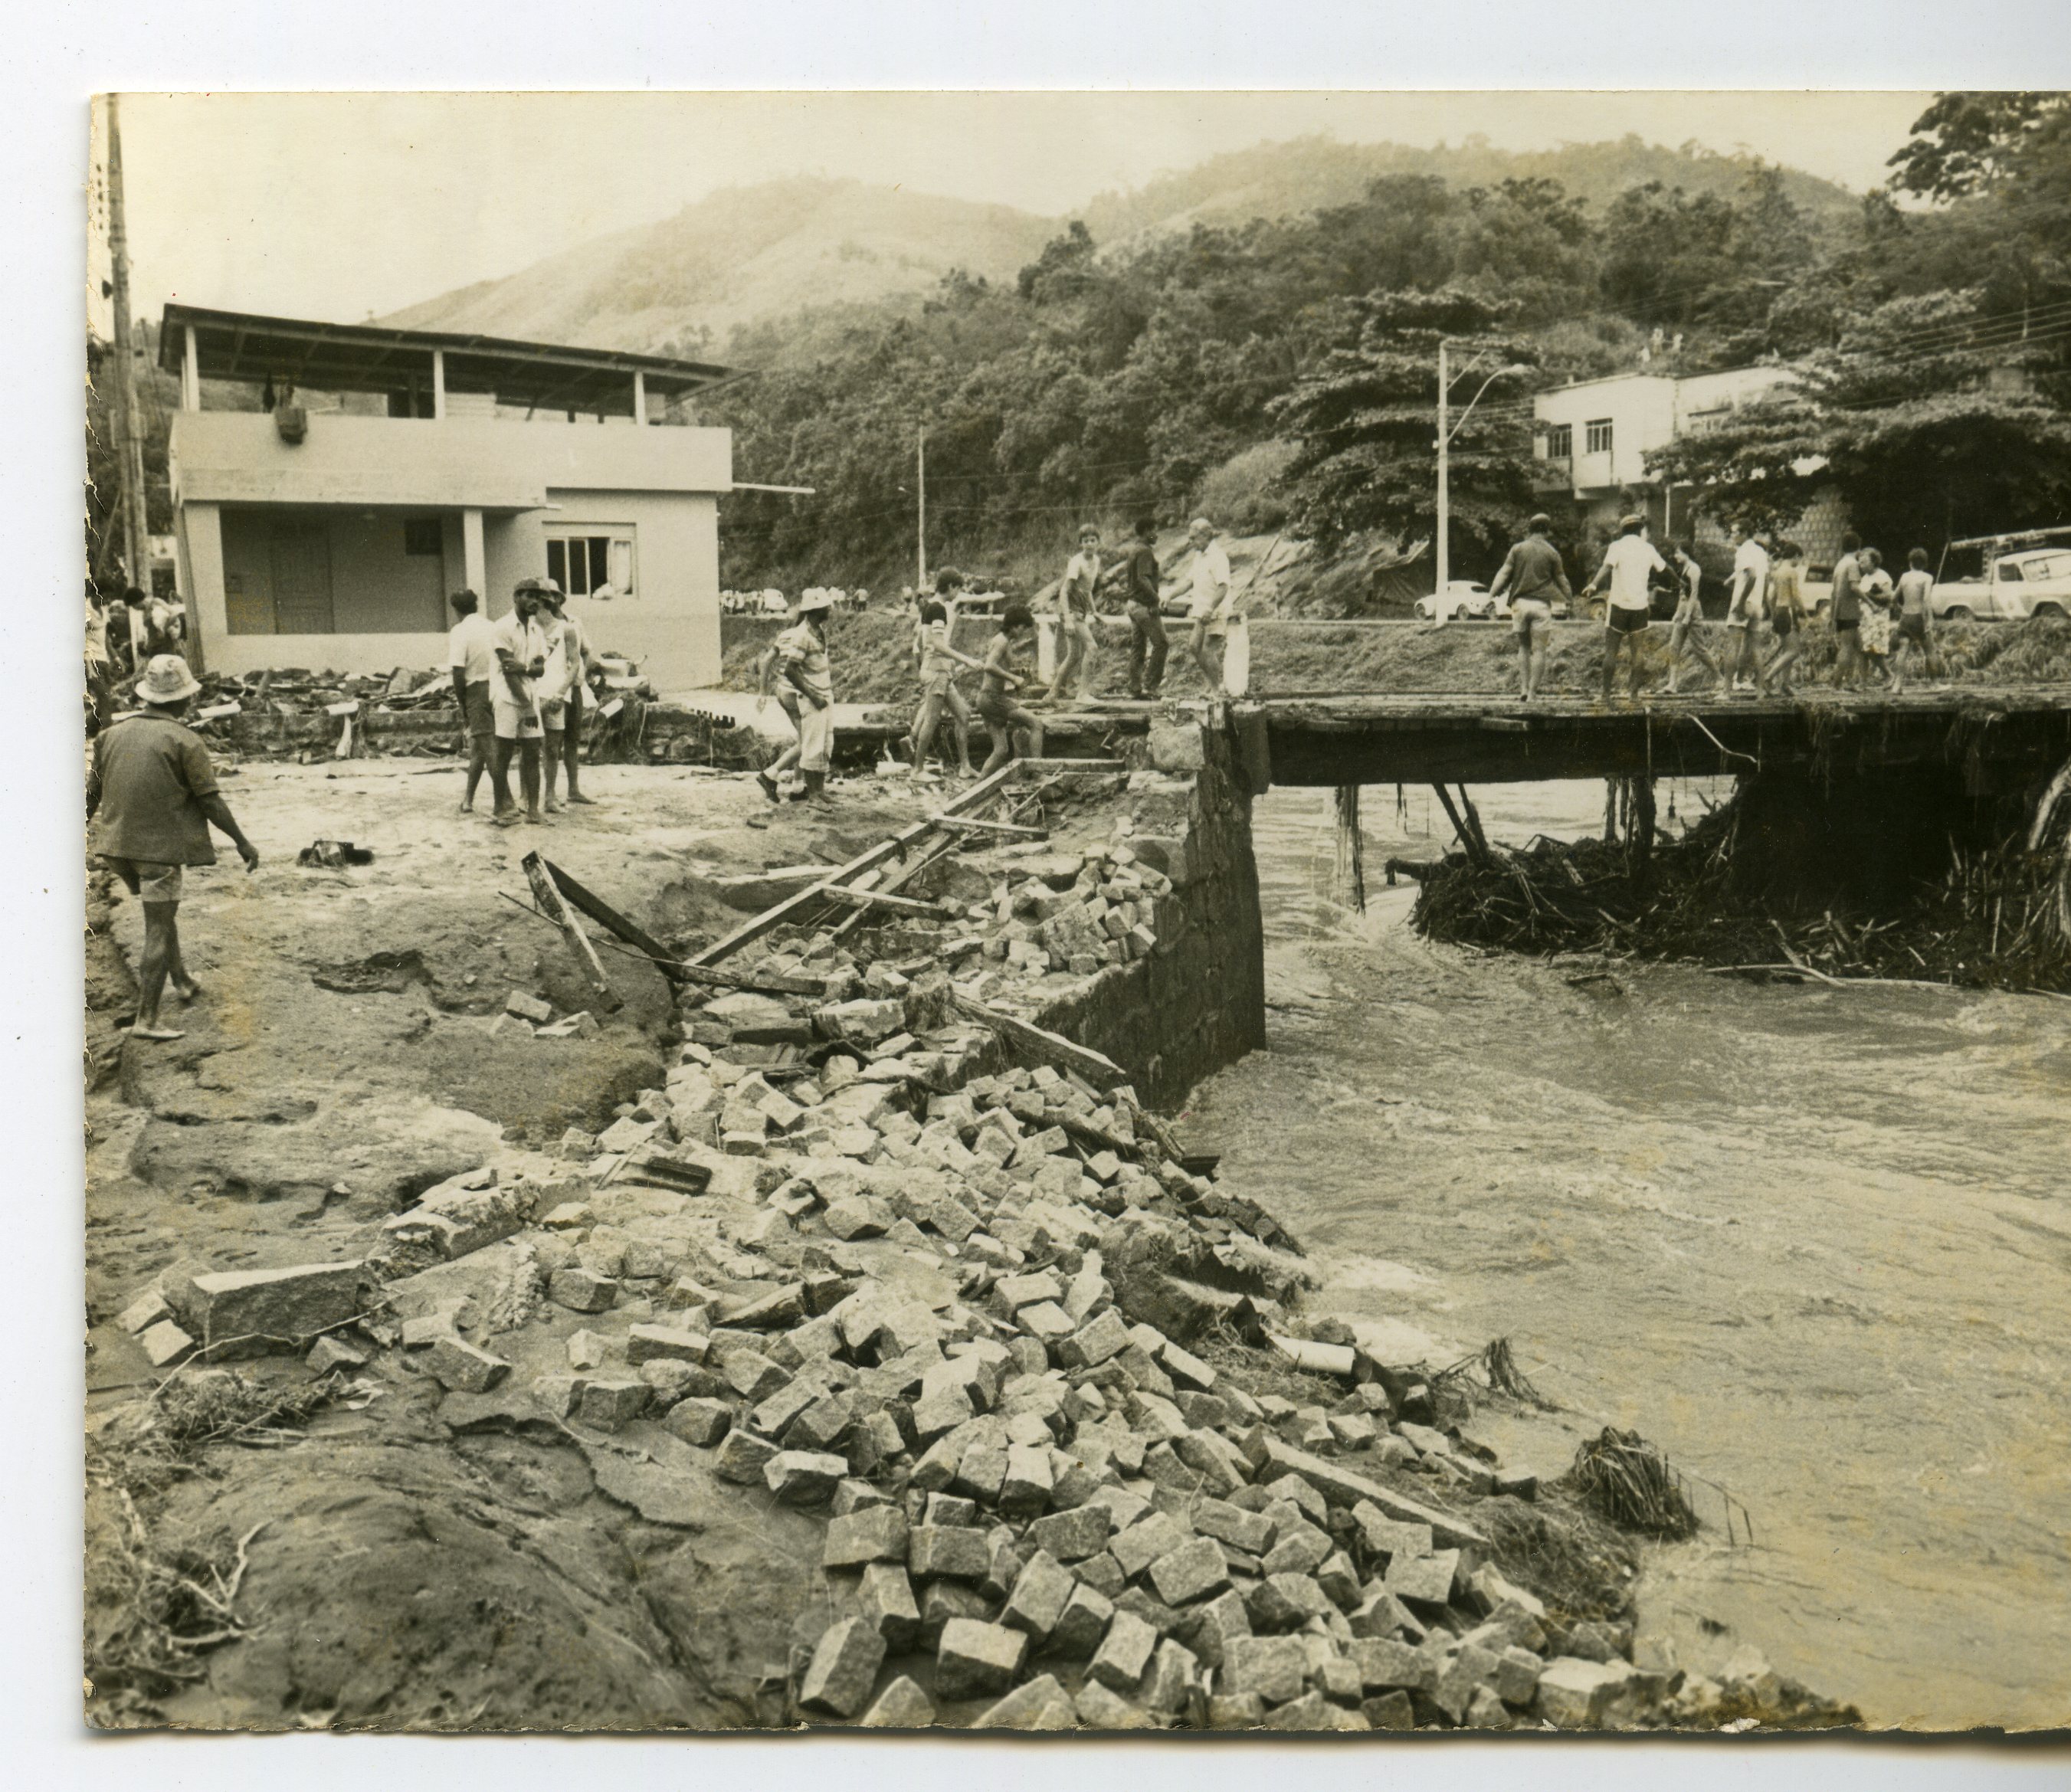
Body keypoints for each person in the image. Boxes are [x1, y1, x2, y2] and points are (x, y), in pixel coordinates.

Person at [86, 654, 260, 1041]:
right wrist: (242, 842)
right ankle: (146, 1019)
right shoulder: (186, 740)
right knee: (158, 927)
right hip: (157, 853)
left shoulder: (110, 735)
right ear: (185, 699)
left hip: (116, 849)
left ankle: (181, 979)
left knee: (160, 914)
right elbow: (211, 801)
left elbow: (92, 793)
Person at [761, 590, 836, 807]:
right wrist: (813, 695)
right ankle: (811, 795)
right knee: (811, 745)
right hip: (811, 697)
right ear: (815, 610)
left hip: (823, 695)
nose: (829, 610)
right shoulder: (802, 636)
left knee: (824, 744)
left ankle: (818, 791)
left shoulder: (818, 631)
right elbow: (790, 671)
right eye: (825, 607)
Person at [1580, 515, 1665, 701]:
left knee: (1611, 651)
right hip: (1640, 606)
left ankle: (1606, 694)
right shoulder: (1648, 548)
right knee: (1638, 652)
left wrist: (1593, 585)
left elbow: (1607, 568)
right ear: (1640, 530)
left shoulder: (1617, 546)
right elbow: (1663, 569)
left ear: (1622, 530)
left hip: (1618, 604)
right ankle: (1634, 694)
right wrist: (1680, 583)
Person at [908, 572, 985, 778]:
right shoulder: (938, 608)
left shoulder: (932, 606)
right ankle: (917, 769)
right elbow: (936, 644)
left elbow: (925, 642)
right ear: (951, 586)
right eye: (958, 588)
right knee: (932, 719)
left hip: (940, 670)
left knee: (963, 714)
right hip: (936, 671)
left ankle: (965, 766)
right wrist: (966, 660)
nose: (958, 593)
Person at [1488, 513, 1571, 701]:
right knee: (1539, 650)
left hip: (1520, 604)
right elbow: (1562, 580)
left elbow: (1504, 573)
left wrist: (1491, 594)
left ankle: (1524, 689)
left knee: (1524, 648)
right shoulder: (1552, 552)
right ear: (1547, 531)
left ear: (1529, 529)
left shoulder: (1517, 549)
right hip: (1542, 605)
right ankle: (1533, 693)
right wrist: (1569, 600)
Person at [490, 578, 552, 827]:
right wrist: (526, 704)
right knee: (503, 753)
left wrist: (524, 666)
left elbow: (539, 670)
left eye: (538, 597)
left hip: (530, 696)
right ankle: (500, 806)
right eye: (529, 595)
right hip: (507, 697)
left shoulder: (537, 630)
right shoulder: (502, 627)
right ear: (516, 597)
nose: (535, 601)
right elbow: (509, 672)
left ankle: (533, 810)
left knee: (532, 752)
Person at [536, 585, 597, 811]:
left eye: (552, 595)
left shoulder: (573, 624)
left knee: (572, 738)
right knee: (546, 744)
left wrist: (581, 673)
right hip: (548, 689)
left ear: (558, 599)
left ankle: (573, 789)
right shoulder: (535, 628)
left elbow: (586, 652)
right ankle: (535, 794)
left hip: (574, 688)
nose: (550, 599)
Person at [976, 602, 1050, 776]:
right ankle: (1037, 773)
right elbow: (989, 666)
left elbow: (998, 667)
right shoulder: (1002, 641)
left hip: (986, 699)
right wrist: (1014, 678)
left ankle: (976, 788)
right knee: (1036, 724)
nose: (1023, 632)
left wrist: (1019, 672)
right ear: (1015, 626)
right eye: (1023, 628)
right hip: (992, 698)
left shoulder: (1003, 641)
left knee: (1001, 750)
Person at [445, 588, 496, 814]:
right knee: (479, 748)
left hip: (476, 691)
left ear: (456, 610)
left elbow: (458, 671)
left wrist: (462, 703)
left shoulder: (460, 631)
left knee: (488, 748)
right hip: (497, 689)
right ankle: (468, 799)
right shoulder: (492, 626)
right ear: (476, 605)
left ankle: (505, 801)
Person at [1661, 540, 1722, 694]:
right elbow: (1683, 593)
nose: (1675, 556)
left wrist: (1688, 616)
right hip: (1683, 609)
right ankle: (1672, 684)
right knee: (1674, 647)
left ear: (1685, 553)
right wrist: (1678, 612)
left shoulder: (1694, 569)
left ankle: (1720, 678)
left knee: (1699, 649)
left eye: (1678, 553)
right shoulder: (1684, 568)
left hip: (1693, 611)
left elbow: (1694, 594)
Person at [1184, 517, 1235, 693]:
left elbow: (1223, 586)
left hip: (1216, 610)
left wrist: (1211, 608)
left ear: (1205, 535)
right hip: (1202, 611)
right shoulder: (1199, 556)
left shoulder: (1218, 557)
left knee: (1207, 649)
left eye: (1193, 538)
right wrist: (1169, 596)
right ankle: (1211, 683)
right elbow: (1189, 581)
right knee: (1193, 646)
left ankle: (1215, 689)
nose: (1191, 542)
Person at [1723, 523, 1773, 695]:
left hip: (1743, 604)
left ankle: (1726, 692)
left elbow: (1751, 575)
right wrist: (1765, 603)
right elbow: (1766, 579)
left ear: (1745, 533)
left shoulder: (1743, 551)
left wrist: (1741, 601)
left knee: (1733, 647)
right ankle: (1759, 692)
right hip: (1757, 604)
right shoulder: (1760, 551)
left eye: (1735, 532)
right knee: (1756, 649)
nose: (1732, 535)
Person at [1054, 525, 1103, 700]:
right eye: (1085, 541)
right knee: (1092, 647)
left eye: (1092, 540)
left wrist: (1094, 611)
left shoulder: (1096, 561)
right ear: (1081, 543)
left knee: (1074, 655)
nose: (1089, 544)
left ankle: (1052, 693)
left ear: (1098, 542)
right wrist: (1067, 619)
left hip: (1081, 610)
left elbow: (1087, 589)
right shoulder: (1077, 562)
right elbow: (1064, 591)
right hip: (1070, 610)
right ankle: (1083, 694)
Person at [1123, 516, 1168, 698]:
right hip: (1143, 605)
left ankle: (1134, 688)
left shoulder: (1135, 549)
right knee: (1162, 644)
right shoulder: (1145, 552)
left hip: (1133, 605)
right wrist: (1155, 600)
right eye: (1154, 531)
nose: (1157, 535)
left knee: (1138, 647)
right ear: (1146, 531)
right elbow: (1143, 578)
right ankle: (1151, 687)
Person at [1891, 547, 1941, 696]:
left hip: (1906, 617)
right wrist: (1930, 619)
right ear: (1925, 563)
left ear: (1910, 563)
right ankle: (1934, 684)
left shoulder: (1905, 576)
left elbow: (1893, 598)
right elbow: (1926, 599)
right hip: (1919, 617)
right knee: (1930, 651)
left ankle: (1897, 685)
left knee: (1903, 652)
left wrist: (1899, 609)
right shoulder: (1927, 577)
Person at [1765, 540, 1809, 694]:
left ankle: (1785, 684)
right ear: (1796, 556)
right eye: (1800, 559)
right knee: (1794, 651)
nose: (1799, 563)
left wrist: (1772, 614)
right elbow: (1796, 596)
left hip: (1778, 611)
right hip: (1788, 611)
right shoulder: (1791, 572)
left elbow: (1770, 597)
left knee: (1787, 649)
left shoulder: (1777, 572)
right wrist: (1805, 614)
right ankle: (1768, 678)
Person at [1830, 532, 1866, 688]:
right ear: (1858, 547)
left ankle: (1851, 681)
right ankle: (1837, 684)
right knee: (1846, 647)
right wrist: (1870, 602)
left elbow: (1834, 592)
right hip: (1849, 610)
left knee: (1859, 646)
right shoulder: (1853, 564)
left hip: (1840, 610)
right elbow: (1854, 586)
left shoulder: (1840, 564)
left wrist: (1832, 615)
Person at [1858, 548, 1895, 682]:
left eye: (1864, 562)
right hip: (1865, 619)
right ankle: (1863, 682)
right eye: (1860, 562)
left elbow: (1888, 597)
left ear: (1874, 562)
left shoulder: (1882, 576)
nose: (1861, 565)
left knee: (1873, 649)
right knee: (1862, 649)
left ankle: (1888, 674)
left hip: (1877, 618)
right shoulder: (1865, 578)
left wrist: (1868, 595)